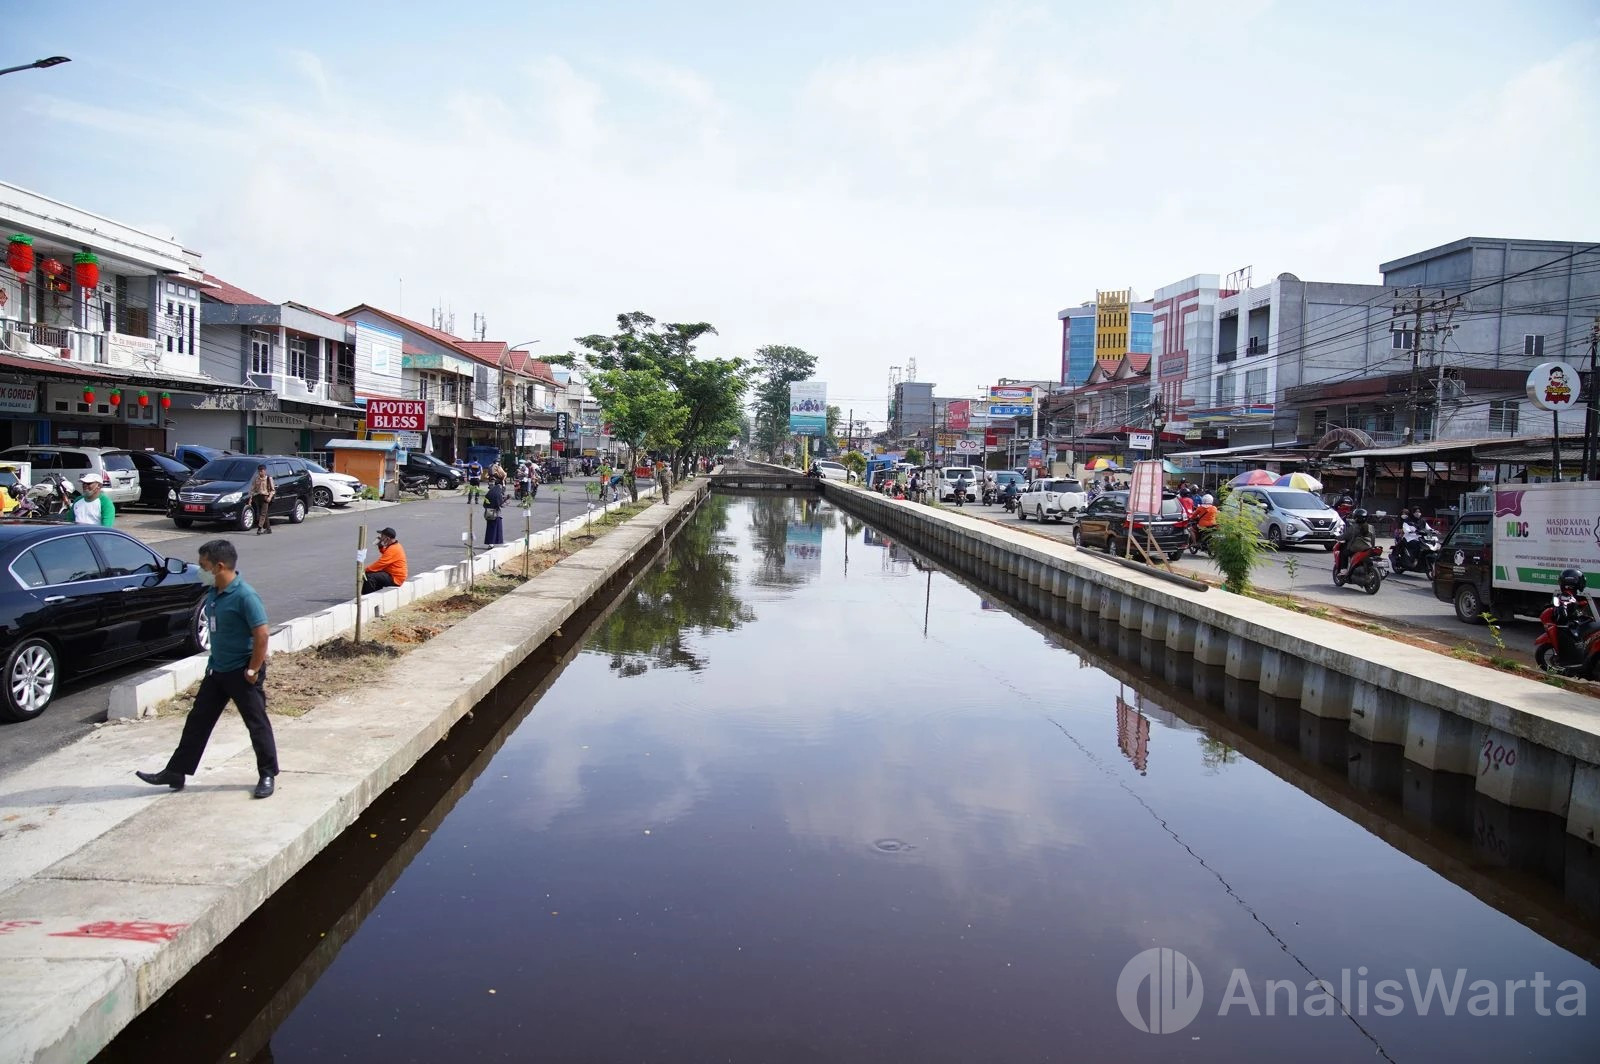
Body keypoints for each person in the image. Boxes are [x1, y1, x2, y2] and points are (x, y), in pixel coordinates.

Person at [136, 539, 277, 799]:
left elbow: (262, 634)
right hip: (218, 671)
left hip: (242, 671)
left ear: (219, 566)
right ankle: (176, 772)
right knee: (197, 722)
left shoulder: (245, 595)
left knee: (256, 723)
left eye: (203, 566)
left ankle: (267, 774)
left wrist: (253, 670)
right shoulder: (213, 593)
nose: (200, 570)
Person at [362, 527, 408, 594]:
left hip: (395, 578)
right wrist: (380, 546)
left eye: (382, 536)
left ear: (387, 538)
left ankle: (369, 596)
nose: (380, 538)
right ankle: (372, 593)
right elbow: (387, 554)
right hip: (392, 574)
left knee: (369, 576)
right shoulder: (394, 546)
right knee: (372, 574)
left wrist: (365, 570)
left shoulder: (393, 549)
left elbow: (381, 563)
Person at [1335, 508, 1376, 577]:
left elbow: (1345, 536)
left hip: (1356, 548)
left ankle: (1344, 571)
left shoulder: (1354, 527)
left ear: (1356, 517)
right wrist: (1372, 547)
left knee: (1343, 552)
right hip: (1369, 547)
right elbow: (1373, 538)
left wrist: (1336, 537)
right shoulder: (1371, 527)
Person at [249, 463, 274, 535]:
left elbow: (273, 490)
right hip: (258, 497)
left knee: (262, 514)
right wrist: (250, 498)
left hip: (266, 498)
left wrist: (270, 497)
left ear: (265, 471)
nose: (260, 472)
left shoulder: (269, 478)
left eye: (261, 471)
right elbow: (252, 489)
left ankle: (259, 528)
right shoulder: (256, 479)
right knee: (264, 513)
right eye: (259, 471)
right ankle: (268, 529)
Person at [482, 477, 505, 545]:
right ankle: (492, 543)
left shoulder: (490, 492)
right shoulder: (498, 493)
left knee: (489, 528)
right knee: (495, 529)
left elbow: (484, 504)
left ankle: (490, 542)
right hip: (495, 514)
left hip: (488, 513)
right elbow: (499, 504)